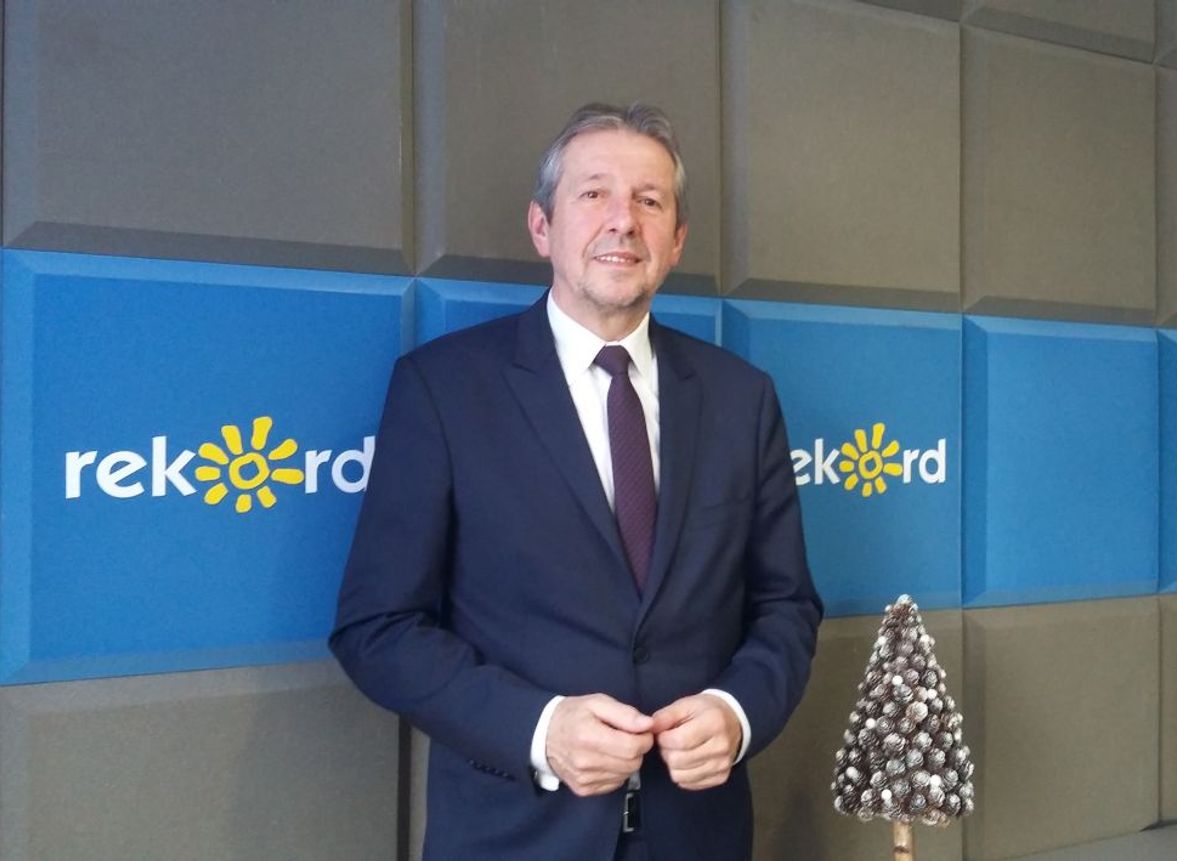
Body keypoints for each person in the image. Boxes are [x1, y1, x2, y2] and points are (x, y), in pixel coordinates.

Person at [330, 102, 822, 861]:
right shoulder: (443, 389)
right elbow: (378, 626)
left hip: (697, 834)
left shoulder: (742, 398)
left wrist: (737, 711)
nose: (623, 220)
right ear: (542, 226)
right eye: (594, 193)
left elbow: (786, 605)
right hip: (513, 835)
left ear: (676, 240)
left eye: (649, 201)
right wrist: (539, 729)